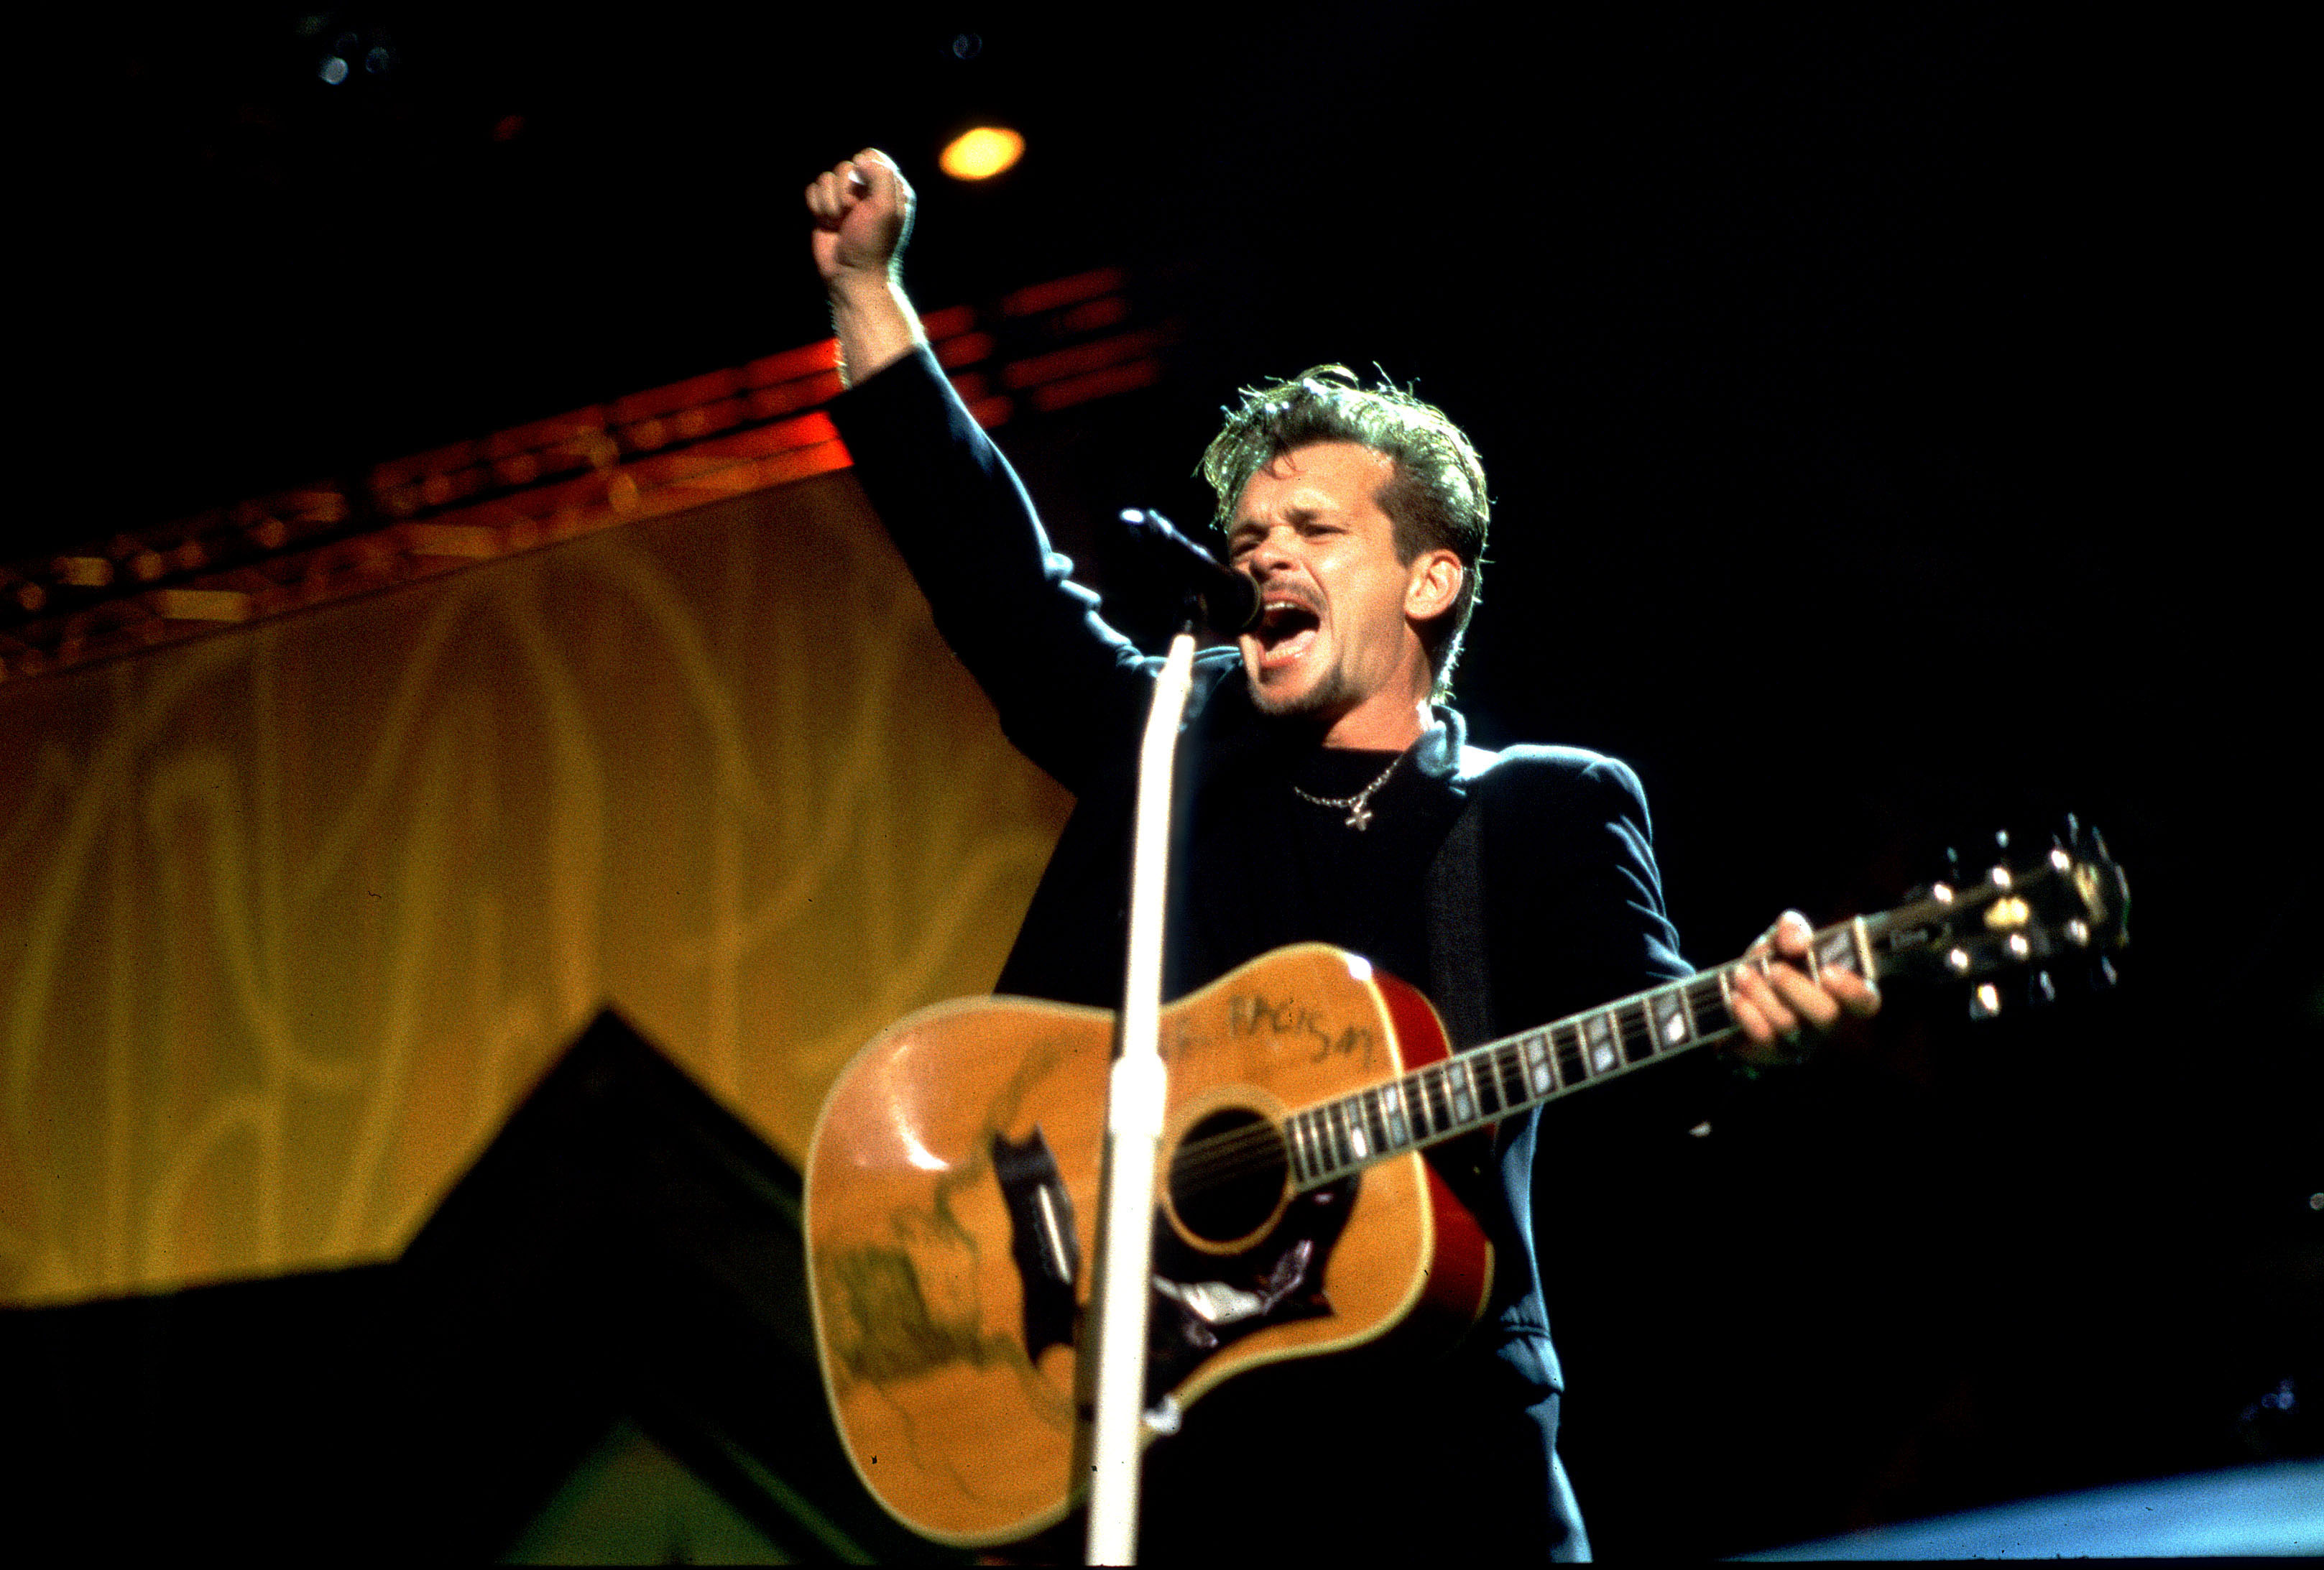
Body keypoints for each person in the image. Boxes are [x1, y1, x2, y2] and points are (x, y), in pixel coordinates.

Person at [804, 149, 1878, 1560]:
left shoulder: (1544, 809)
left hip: (1431, 1477)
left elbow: (1656, 1072)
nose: (1262, 554)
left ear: (1432, 578)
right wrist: (867, 292)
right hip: (1160, 1456)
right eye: (1247, 534)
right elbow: (987, 571)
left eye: (1314, 528)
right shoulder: (1174, 739)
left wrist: (1753, 1038)